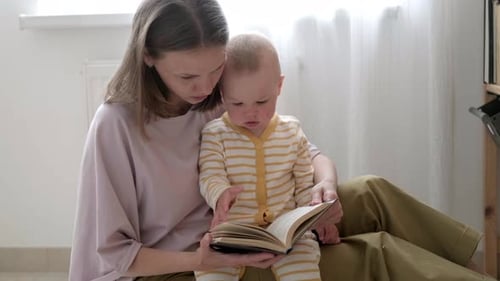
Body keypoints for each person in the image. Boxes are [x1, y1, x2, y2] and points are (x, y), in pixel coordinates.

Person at [68, 0, 495, 280]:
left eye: (215, 69)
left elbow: (304, 150)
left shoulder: (220, 97)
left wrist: (323, 186)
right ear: (147, 56)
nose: (204, 87)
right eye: (187, 76)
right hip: (191, 265)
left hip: (256, 221)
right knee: (376, 252)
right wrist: (201, 260)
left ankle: (485, 262)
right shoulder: (117, 126)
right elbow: (113, 255)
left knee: (371, 192)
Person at [195, 33, 322, 281]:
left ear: (279, 86)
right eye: (237, 103)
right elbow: (210, 174)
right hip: (233, 234)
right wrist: (220, 194)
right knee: (210, 272)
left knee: (304, 267)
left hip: (288, 235)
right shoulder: (215, 134)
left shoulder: (291, 130)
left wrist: (316, 218)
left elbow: (304, 184)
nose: (250, 112)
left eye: (262, 101)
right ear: (222, 95)